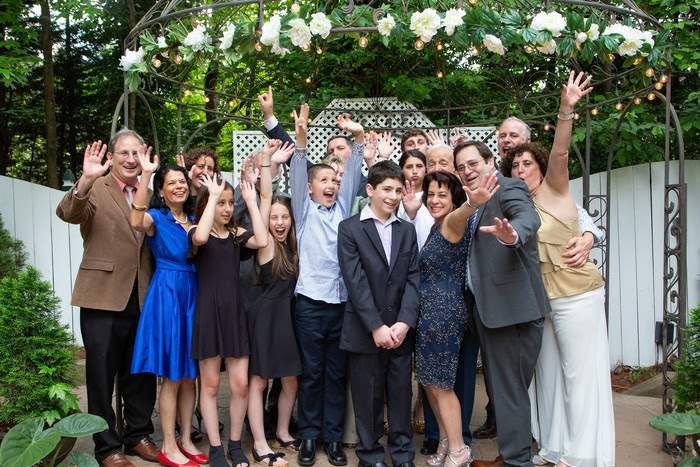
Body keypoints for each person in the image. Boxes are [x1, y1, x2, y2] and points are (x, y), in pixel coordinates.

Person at [501, 72, 615, 467]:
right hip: (541, 303)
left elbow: (562, 155)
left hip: (577, 294)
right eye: (514, 164)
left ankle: (582, 456)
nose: (520, 169)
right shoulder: (513, 207)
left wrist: (566, 110)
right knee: (547, 379)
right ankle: (552, 448)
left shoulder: (555, 189)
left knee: (579, 378)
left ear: (540, 165)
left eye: (527, 162)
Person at [56, 131, 158, 467]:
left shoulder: (151, 192)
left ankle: (138, 435)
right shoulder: (95, 187)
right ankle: (107, 447)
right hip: (101, 295)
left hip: (142, 295)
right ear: (111, 157)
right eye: (124, 153)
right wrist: (85, 180)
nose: (131, 159)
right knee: (100, 375)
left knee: (140, 371)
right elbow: (68, 213)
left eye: (136, 152)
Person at [453, 138, 549, 467]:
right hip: (488, 311)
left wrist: (512, 235)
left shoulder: (509, 188)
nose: (467, 171)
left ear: (490, 161)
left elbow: (527, 218)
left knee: (509, 392)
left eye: (473, 163)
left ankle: (517, 461)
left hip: (513, 311)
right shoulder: (470, 201)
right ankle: (513, 455)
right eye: (461, 167)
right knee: (507, 391)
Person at [290, 104, 365, 467]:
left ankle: (333, 438)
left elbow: (352, 172)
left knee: (336, 373)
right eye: (325, 181)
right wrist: (301, 140)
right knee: (311, 371)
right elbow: (297, 171)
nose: (333, 186)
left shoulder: (344, 208)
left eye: (335, 182)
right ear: (311, 187)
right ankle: (308, 436)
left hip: (341, 305)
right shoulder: (303, 212)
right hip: (308, 304)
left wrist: (358, 137)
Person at [410, 170, 498, 467]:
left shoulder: (451, 222)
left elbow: (460, 215)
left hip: (444, 313)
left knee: (441, 385)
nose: (434, 200)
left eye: (442, 195)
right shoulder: (436, 227)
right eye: (431, 194)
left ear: (454, 198)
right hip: (430, 313)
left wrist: (471, 204)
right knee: (429, 382)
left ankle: (459, 450)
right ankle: (448, 441)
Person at [337, 161, 420, 467]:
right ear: (370, 190)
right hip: (364, 330)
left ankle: (402, 454)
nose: (393, 195)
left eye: (398, 190)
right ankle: (370, 455)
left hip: (400, 331)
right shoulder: (350, 229)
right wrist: (375, 326)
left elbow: (414, 278)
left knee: (400, 395)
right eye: (387, 189)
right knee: (367, 398)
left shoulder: (407, 231)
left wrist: (404, 322)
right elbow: (355, 281)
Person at [189, 166, 269, 467]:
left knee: (239, 385)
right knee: (209, 386)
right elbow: (199, 238)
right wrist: (211, 197)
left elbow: (261, 241)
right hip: (209, 315)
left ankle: (235, 444)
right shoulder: (196, 232)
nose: (225, 208)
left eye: (227, 202)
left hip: (235, 315)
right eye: (219, 202)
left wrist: (249, 201)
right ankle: (215, 448)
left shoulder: (235, 235)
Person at [129, 156, 204, 467]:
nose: (178, 187)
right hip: (168, 294)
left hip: (193, 293)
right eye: (172, 182)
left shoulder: (194, 219)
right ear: (161, 189)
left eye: (182, 182)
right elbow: (135, 221)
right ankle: (168, 444)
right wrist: (146, 175)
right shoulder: (155, 219)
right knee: (172, 376)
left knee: (190, 376)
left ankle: (186, 438)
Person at [247, 195, 304, 466]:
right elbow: (265, 201)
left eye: (285, 217)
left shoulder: (293, 246)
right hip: (266, 319)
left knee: (291, 380)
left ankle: (282, 430)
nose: (279, 223)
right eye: (274, 217)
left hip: (288, 319)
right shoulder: (266, 243)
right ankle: (259, 443)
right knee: (259, 382)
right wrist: (269, 166)